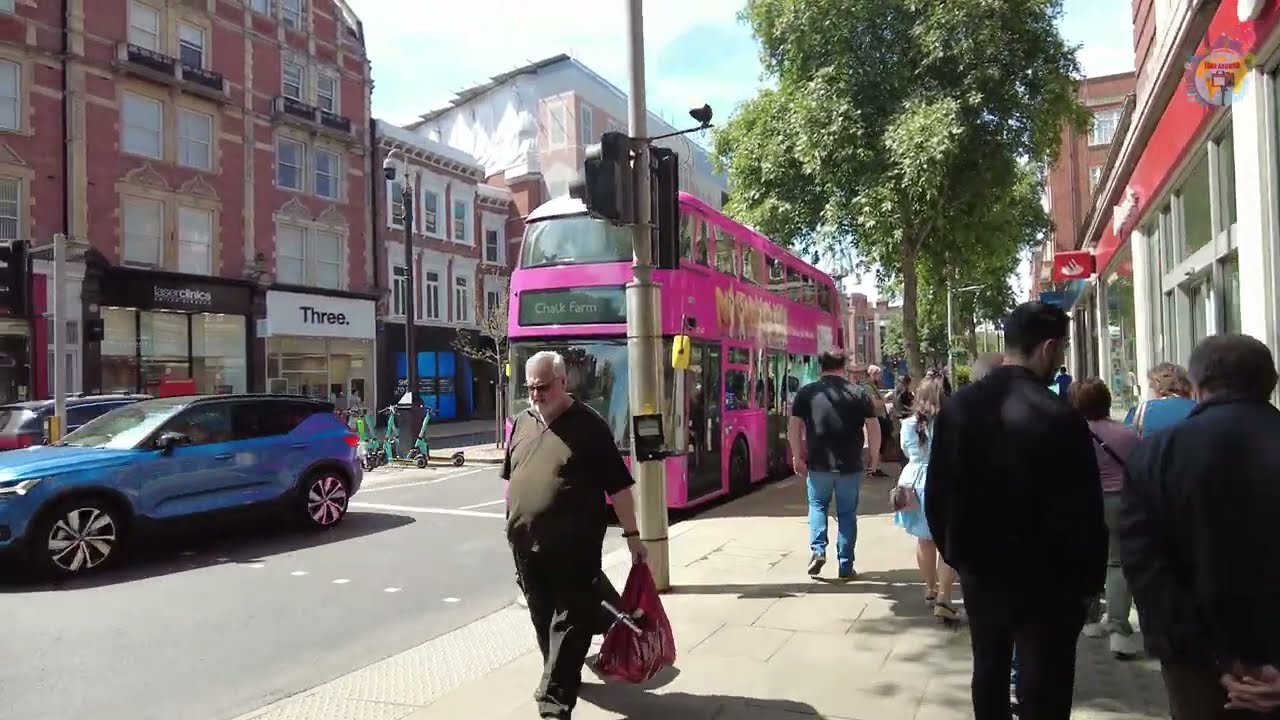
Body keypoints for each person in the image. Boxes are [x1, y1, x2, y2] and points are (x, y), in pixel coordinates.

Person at [925, 301, 1106, 720]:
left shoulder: (959, 408)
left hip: (982, 568)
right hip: (1050, 576)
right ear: (1048, 348)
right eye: (1060, 350)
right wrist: (1089, 583)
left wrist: (956, 553)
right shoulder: (1061, 415)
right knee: (1046, 681)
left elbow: (939, 491)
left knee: (988, 668)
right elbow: (1084, 509)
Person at [1119, 334, 1280, 719]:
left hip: (1196, 667)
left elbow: (1145, 567)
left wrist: (1212, 659)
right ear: (1270, 381)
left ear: (1197, 386)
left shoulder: (1156, 455)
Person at [503, 351, 647, 720]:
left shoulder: (589, 426)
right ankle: (559, 677)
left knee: (569, 622)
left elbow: (619, 489)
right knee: (542, 619)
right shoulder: (522, 422)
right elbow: (512, 479)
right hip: (526, 547)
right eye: (530, 388)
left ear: (563, 382)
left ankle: (554, 704)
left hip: (574, 548)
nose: (536, 395)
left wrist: (633, 536)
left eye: (543, 387)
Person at [789, 349, 882, 579]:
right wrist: (874, 455)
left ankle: (818, 550)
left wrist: (797, 455)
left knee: (818, 506)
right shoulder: (858, 393)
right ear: (844, 366)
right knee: (847, 514)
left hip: (819, 464)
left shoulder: (806, 393)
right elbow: (873, 427)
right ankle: (845, 565)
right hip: (850, 464)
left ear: (821, 366)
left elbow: (794, 427)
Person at [1066, 378, 1141, 659]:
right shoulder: (1128, 434)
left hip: (1085, 503)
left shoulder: (1069, 435)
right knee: (1118, 562)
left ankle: (1090, 619)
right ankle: (1119, 630)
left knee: (1087, 560)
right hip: (1122, 502)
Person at [893, 376, 958, 622]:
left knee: (924, 540)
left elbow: (906, 451)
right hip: (943, 480)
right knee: (947, 544)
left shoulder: (908, 424)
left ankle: (929, 589)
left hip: (912, 482)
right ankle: (944, 597)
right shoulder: (951, 423)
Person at [1125, 361, 1196, 437]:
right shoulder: (1200, 409)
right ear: (1187, 387)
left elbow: (1125, 443)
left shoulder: (1138, 412)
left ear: (1157, 389)